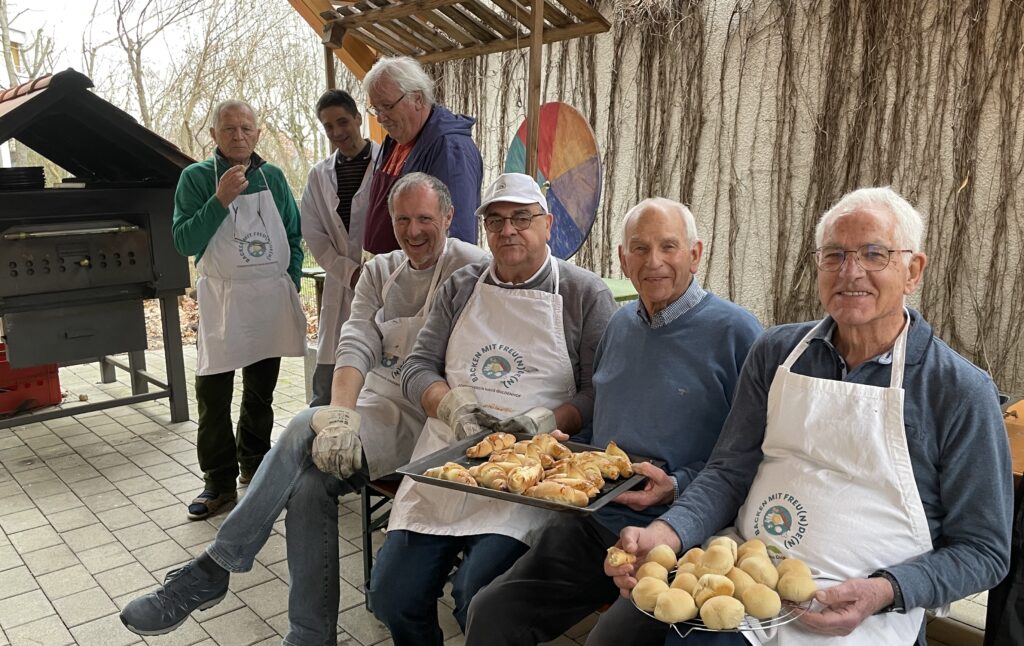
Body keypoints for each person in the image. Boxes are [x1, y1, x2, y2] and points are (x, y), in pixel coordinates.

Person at [605, 187, 1013, 646]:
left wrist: (885, 590)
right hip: (741, 577)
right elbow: (728, 473)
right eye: (834, 255)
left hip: (865, 611)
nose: (850, 272)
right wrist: (666, 532)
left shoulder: (958, 391)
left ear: (913, 271)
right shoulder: (777, 353)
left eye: (874, 254)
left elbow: (984, 551)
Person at [119, 173, 487, 643]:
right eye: (402, 220)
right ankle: (308, 635)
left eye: (424, 219)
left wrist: (333, 418)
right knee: (310, 486)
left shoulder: (472, 266)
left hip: (433, 422)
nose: (413, 231)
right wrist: (341, 415)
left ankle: (214, 568)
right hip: (378, 408)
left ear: (449, 218)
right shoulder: (380, 271)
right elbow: (354, 344)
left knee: (299, 424)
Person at [463, 198, 763, 646]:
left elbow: (750, 458)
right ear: (622, 259)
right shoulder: (620, 326)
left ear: (696, 254)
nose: (654, 262)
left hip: (686, 532)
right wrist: (561, 453)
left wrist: (678, 484)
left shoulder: (738, 334)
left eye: (669, 247)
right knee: (490, 611)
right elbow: (602, 429)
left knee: (608, 640)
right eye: (639, 249)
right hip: (597, 521)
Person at [367, 173, 618, 646]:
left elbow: (597, 392)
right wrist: (452, 406)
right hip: (448, 460)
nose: (508, 231)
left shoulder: (585, 295)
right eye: (496, 220)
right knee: (391, 596)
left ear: (547, 224)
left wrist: (545, 423)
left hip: (532, 478)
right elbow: (416, 366)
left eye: (522, 218)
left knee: (475, 594)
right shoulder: (461, 287)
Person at [171, 99, 306, 520]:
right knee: (213, 395)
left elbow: (294, 236)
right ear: (213, 135)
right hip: (224, 301)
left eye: (246, 128)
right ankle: (218, 482)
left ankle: (257, 467)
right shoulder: (195, 179)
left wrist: (290, 284)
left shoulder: (274, 178)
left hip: (268, 299)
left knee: (260, 394)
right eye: (229, 129)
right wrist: (220, 200)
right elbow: (184, 242)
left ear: (258, 133)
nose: (239, 136)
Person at [301, 89, 380, 406]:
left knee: (375, 378)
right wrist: (350, 273)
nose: (337, 133)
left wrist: (370, 273)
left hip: (381, 281)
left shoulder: (386, 163)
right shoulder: (319, 175)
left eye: (343, 122)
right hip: (340, 283)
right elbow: (314, 233)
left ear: (359, 119)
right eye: (328, 127)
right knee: (328, 385)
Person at [361, 55, 482, 254]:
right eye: (376, 109)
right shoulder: (396, 139)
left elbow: (457, 236)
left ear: (417, 99)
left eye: (388, 106)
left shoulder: (450, 148)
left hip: (420, 281)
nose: (381, 118)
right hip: (388, 275)